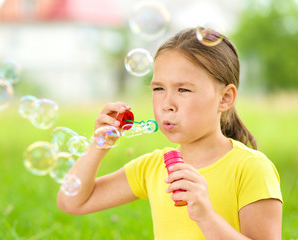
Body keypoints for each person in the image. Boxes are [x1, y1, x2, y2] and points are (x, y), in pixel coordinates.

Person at [57, 27, 283, 239]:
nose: (166, 104)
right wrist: (99, 145)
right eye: (158, 89)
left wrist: (206, 217)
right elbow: (73, 203)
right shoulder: (153, 167)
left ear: (224, 98)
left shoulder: (251, 168)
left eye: (183, 89)